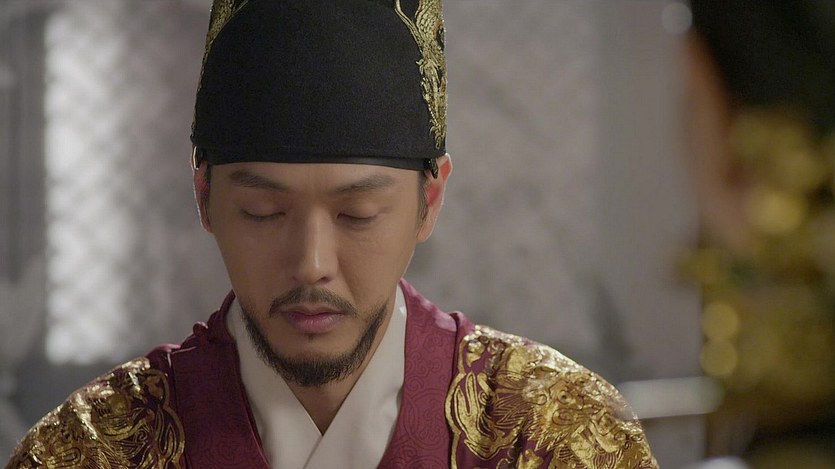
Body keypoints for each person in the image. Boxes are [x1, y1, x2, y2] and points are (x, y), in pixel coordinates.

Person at [5, 0, 657, 467]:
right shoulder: (91, 450)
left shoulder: (552, 436)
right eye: (264, 212)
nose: (311, 263)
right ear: (204, 197)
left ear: (429, 200)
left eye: (357, 214)